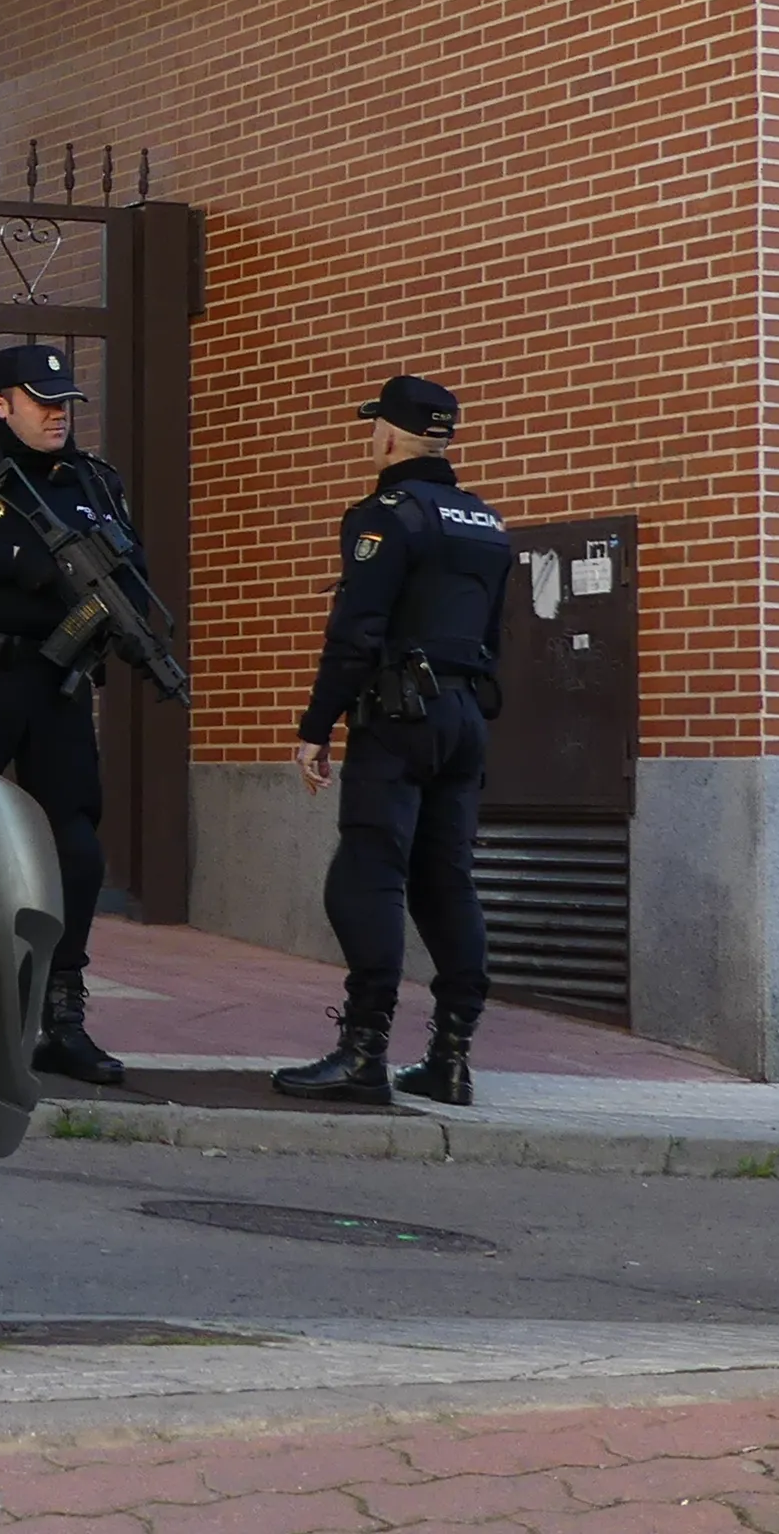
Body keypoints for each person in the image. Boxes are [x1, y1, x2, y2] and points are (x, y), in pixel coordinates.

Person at [272, 375, 509, 1107]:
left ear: (388, 434)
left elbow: (355, 634)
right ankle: (452, 1057)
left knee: (367, 874)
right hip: (465, 716)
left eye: (374, 427)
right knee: (448, 883)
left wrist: (317, 727)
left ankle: (364, 1052)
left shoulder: (385, 517)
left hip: (400, 716)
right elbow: (495, 635)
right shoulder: (486, 523)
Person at [0, 343, 144, 1088]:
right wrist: (15, 558)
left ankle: (62, 1013)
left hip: (58, 682)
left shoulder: (95, 483)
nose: (57, 414)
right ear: (0, 405)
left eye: (65, 402)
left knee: (76, 845)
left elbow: (132, 573)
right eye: (40, 400)